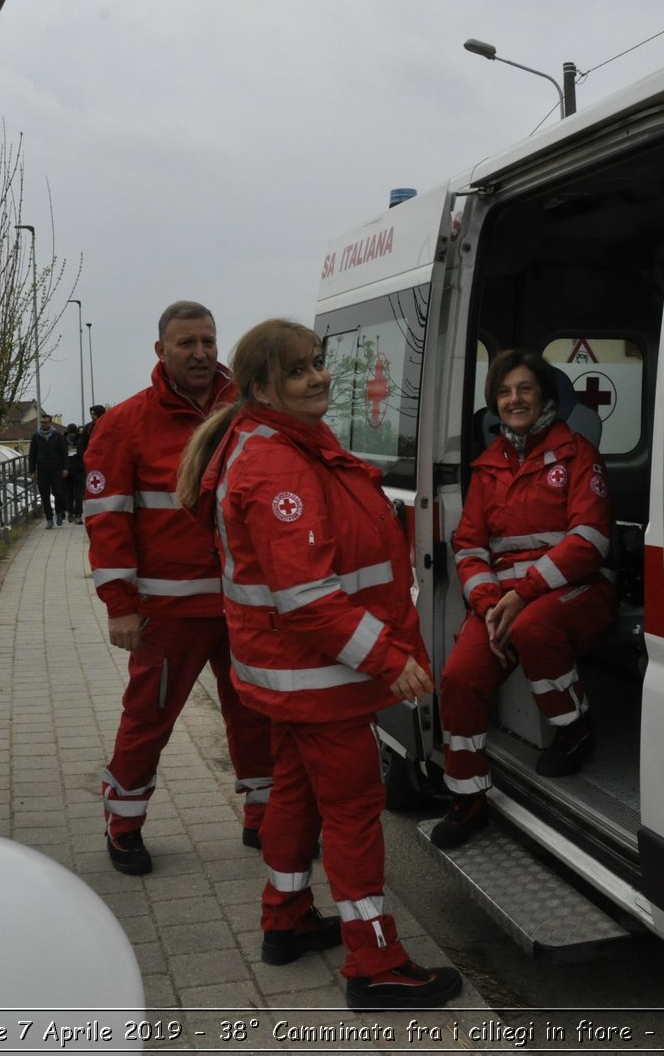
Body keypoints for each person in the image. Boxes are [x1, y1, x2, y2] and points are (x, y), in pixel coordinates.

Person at [177, 318, 463, 1011]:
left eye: (317, 364)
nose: (319, 378)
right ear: (263, 386)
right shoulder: (275, 463)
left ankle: (287, 917)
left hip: (293, 677)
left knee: (296, 797)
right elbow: (307, 597)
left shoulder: (282, 441)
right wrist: (390, 657)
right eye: (300, 370)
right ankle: (375, 962)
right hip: (319, 680)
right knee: (355, 812)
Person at [83, 301, 274, 877]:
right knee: (148, 717)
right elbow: (107, 518)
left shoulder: (246, 411)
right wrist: (120, 606)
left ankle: (264, 818)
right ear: (160, 351)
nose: (200, 353)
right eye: (186, 343)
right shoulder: (125, 423)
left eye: (208, 342)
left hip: (244, 604)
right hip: (166, 612)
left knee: (256, 713)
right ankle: (124, 823)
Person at [429, 349, 615, 849]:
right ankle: (467, 797)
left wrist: (522, 593)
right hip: (501, 604)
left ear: (546, 396)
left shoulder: (577, 454)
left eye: (525, 389)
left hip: (574, 593)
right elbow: (467, 546)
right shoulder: (487, 469)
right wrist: (490, 604)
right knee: (458, 678)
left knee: (533, 626)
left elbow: (591, 539)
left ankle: (573, 727)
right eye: (505, 392)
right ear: (494, 402)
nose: (515, 400)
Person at [28, 414, 69, 529]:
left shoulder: (57, 436)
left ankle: (59, 512)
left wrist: (65, 468)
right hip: (42, 470)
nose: (43, 424)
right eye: (42, 422)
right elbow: (32, 455)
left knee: (59, 493)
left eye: (46, 422)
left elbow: (64, 453)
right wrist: (32, 471)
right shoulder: (36, 437)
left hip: (56, 469)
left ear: (50, 423)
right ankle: (49, 519)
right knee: (44, 495)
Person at [63, 423, 86, 523]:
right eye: (70, 433)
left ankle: (78, 515)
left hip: (79, 472)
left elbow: (83, 455)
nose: (72, 435)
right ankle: (70, 512)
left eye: (73, 433)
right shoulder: (63, 442)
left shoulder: (81, 442)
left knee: (79, 495)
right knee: (69, 495)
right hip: (67, 473)